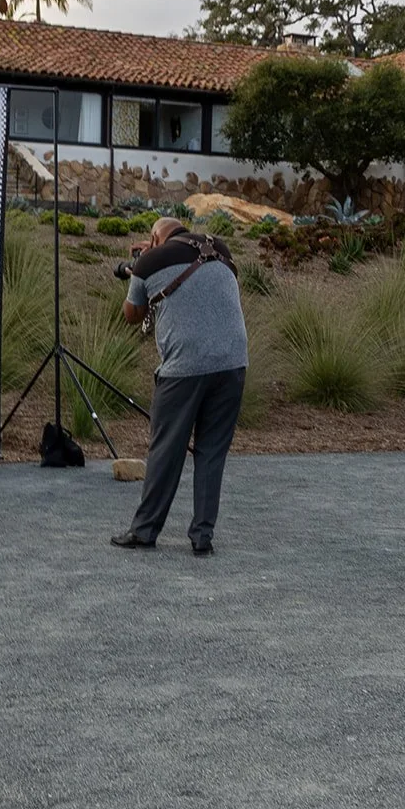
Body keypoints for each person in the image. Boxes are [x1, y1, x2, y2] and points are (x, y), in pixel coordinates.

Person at [111, 216, 248, 555]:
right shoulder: (220, 248)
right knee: (211, 452)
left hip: (184, 368)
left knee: (166, 450)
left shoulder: (149, 261)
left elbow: (132, 314)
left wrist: (138, 269)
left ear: (154, 238)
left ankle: (144, 531)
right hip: (233, 363)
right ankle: (202, 537)